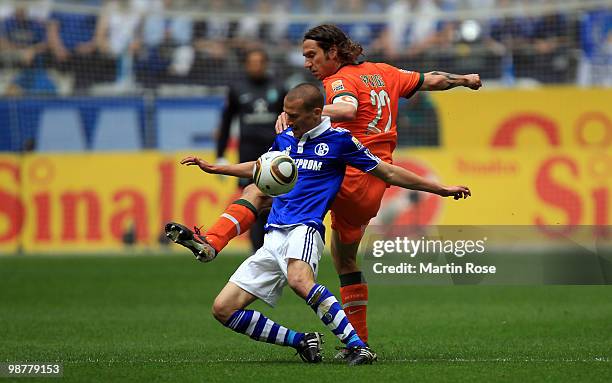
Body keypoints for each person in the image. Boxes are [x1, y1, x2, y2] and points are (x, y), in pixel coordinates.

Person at [177, 24, 481, 350]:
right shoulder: (386, 72)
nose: (308, 64)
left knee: (260, 187)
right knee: (345, 261)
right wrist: (464, 80)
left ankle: (212, 242)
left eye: (312, 55)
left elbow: (348, 107)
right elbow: (432, 79)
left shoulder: (337, 81)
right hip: (372, 182)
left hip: (346, 168)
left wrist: (312, 112)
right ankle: (358, 339)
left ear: (332, 52)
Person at [215, 48, 286, 251]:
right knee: (253, 205)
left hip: (275, 155)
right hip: (248, 154)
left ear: (266, 64)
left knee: (273, 205)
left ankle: (275, 249)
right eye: (252, 62)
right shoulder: (236, 89)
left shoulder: (279, 87)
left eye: (260, 62)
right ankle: (258, 252)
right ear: (247, 65)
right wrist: (220, 155)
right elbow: (227, 122)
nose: (256, 66)